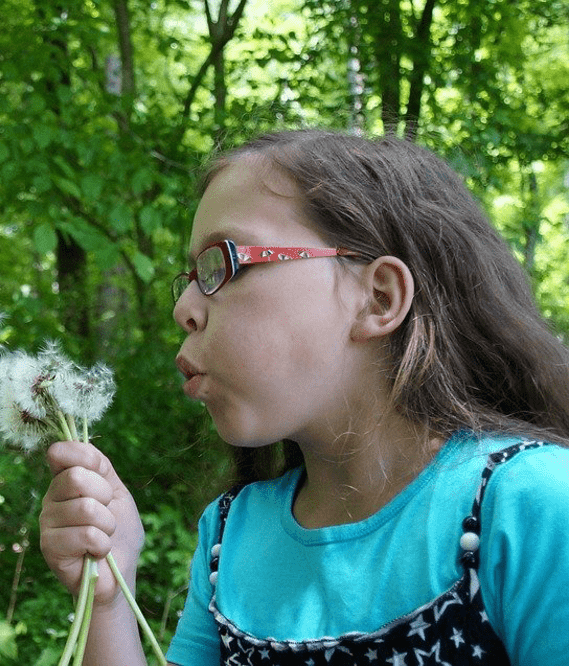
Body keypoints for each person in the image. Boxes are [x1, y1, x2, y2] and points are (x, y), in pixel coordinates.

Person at [38, 129, 569, 665]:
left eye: (221, 265)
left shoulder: (529, 505)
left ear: (377, 298)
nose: (184, 310)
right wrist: (107, 596)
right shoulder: (231, 534)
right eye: (191, 278)